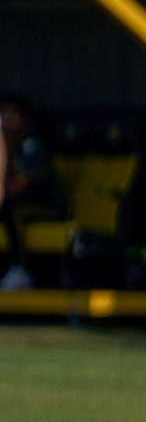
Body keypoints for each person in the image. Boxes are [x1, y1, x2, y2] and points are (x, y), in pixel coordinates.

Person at [0, 97, 70, 290]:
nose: (6, 119)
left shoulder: (31, 145)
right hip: (19, 204)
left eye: (11, 114)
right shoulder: (6, 144)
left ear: (23, 118)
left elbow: (18, 187)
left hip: (50, 206)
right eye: (3, 114)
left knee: (14, 212)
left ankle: (21, 271)